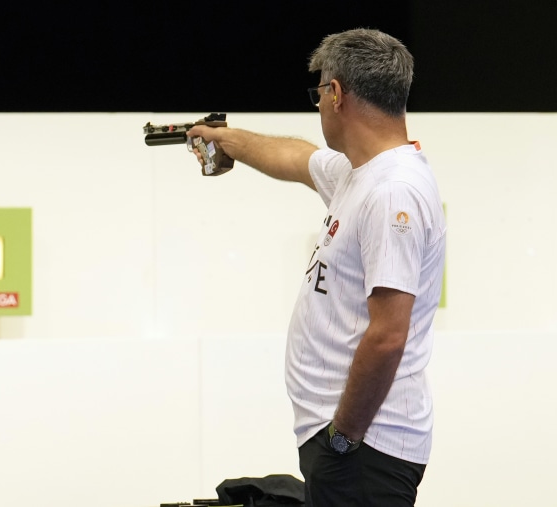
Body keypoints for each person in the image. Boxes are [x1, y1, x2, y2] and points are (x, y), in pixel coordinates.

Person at [187, 28, 446, 507]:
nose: (319, 104)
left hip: (364, 446)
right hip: (354, 445)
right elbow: (297, 158)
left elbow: (388, 335)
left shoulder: (392, 192)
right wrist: (227, 140)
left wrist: (342, 437)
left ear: (336, 94)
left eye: (319, 93)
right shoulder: (362, 173)